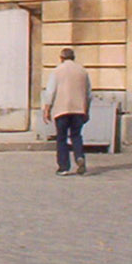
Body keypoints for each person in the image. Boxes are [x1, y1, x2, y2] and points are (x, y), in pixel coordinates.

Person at [43, 47, 91, 175]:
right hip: (79, 109)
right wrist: (87, 110)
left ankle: (63, 167)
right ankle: (79, 156)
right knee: (76, 136)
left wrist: (47, 109)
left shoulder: (57, 71)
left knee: (61, 138)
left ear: (61, 58)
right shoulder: (83, 71)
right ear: (74, 58)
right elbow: (88, 94)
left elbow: (51, 92)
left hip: (62, 109)